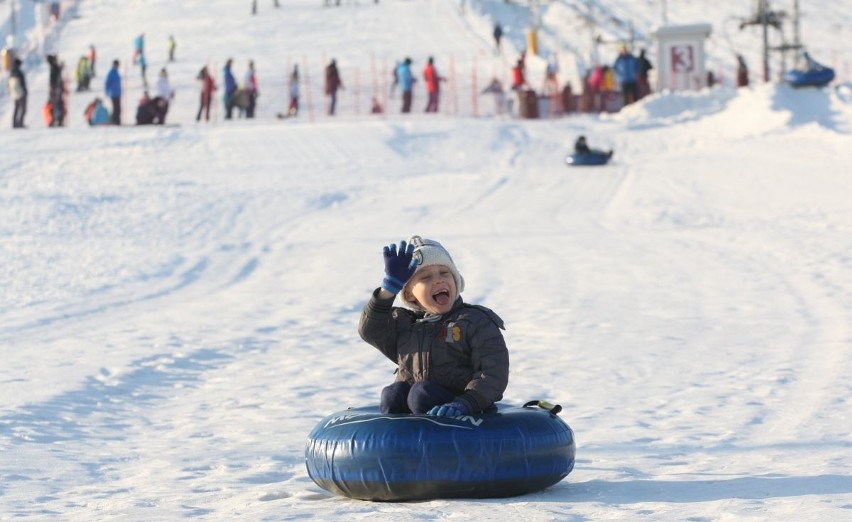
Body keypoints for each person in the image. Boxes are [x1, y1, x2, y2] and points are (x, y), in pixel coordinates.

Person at [359, 236, 509, 417]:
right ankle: (396, 442)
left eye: (444, 273)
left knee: (420, 394)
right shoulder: (405, 325)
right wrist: (389, 289)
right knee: (393, 394)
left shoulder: (474, 321)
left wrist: (467, 403)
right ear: (410, 295)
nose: (438, 280)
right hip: (418, 410)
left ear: (456, 281)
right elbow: (370, 330)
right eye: (426, 277)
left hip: (468, 410)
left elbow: (492, 374)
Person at [47, 54, 66, 127]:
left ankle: (56, 119)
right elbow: (57, 76)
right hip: (55, 88)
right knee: (57, 104)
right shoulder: (53, 67)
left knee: (57, 103)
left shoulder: (53, 67)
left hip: (55, 88)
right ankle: (56, 119)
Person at [8, 58, 28, 128]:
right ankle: (20, 123)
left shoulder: (11, 72)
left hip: (14, 93)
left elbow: (9, 84)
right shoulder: (19, 72)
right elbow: (22, 83)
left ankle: (14, 123)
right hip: (21, 93)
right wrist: (25, 91)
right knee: (23, 108)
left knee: (16, 108)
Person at [104, 59, 122, 125]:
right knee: (116, 108)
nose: (117, 66)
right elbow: (107, 83)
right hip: (113, 93)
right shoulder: (111, 73)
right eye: (116, 65)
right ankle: (115, 121)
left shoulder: (116, 72)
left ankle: (117, 121)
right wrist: (107, 91)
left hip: (118, 93)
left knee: (118, 108)